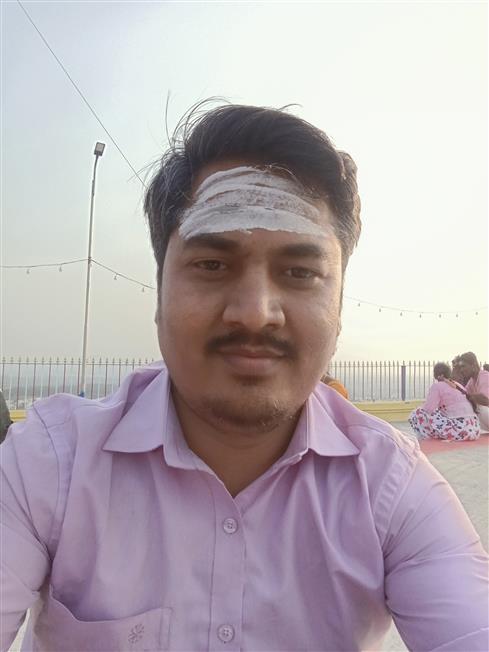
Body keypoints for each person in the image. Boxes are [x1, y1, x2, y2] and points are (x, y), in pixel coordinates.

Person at [1, 104, 488, 652]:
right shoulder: (50, 464)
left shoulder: (392, 488)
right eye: (212, 264)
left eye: (300, 272)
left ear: (339, 309)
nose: (256, 313)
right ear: (159, 294)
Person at [409, 362, 480, 441]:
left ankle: (424, 437)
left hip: (460, 431)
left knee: (417, 413)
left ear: (436, 375)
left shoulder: (437, 386)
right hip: (474, 430)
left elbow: (428, 409)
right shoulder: (457, 385)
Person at [458, 351, 489, 433]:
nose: (461, 370)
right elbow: (462, 396)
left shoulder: (485, 376)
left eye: (463, 366)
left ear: (473, 365)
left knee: (478, 408)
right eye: (460, 367)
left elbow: (486, 400)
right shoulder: (472, 381)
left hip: (486, 411)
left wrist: (468, 396)